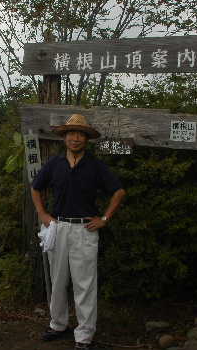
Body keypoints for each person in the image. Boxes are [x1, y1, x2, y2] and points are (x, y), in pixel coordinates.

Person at [31, 113, 126, 350]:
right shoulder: (54, 164)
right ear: (64, 137)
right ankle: (58, 324)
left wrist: (104, 218)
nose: (75, 138)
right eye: (71, 134)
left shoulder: (95, 166)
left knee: (85, 284)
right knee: (58, 280)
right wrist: (42, 214)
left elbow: (119, 191)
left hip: (85, 229)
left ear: (86, 139)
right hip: (58, 227)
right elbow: (36, 188)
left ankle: (84, 335)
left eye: (80, 134)